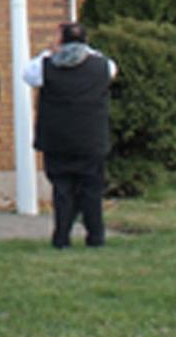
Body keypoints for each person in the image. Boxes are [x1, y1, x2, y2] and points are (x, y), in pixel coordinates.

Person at [23, 20, 117, 249]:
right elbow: (112, 70)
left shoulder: (46, 66)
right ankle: (95, 236)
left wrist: (49, 51)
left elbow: (27, 74)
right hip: (91, 138)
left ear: (61, 40)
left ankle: (62, 237)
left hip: (58, 139)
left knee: (62, 189)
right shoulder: (102, 65)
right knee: (92, 189)